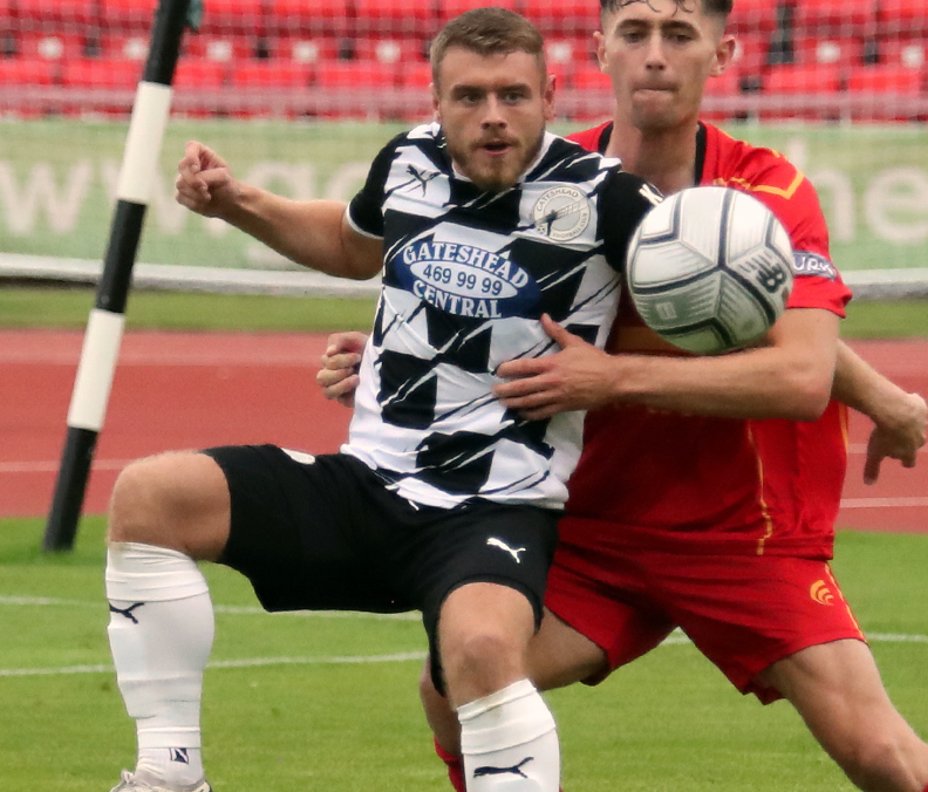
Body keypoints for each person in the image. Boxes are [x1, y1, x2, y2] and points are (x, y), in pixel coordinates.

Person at [318, 2, 928, 792]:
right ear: (600, 49)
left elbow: (800, 372)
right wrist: (401, 360)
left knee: (881, 756)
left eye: (678, 35)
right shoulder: (552, 172)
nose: (655, 55)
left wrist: (616, 378)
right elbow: (480, 304)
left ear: (722, 53)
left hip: (742, 534)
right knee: (453, 686)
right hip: (593, 525)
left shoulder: (764, 190)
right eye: (634, 33)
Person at [102, 9, 669, 792]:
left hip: (493, 506)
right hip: (370, 484)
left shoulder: (610, 198)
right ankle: (169, 776)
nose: (493, 116)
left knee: (480, 650)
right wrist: (236, 202)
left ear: (549, 95)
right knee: (151, 497)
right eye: (469, 97)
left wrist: (615, 377)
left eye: (513, 95)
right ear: (436, 103)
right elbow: (350, 244)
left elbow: (722, 315)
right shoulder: (408, 160)